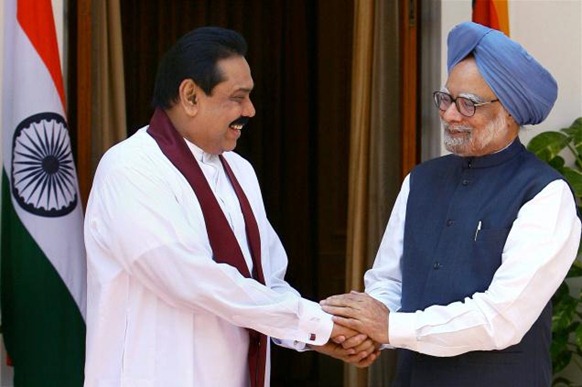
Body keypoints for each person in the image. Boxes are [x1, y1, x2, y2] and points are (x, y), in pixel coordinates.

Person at [83, 26, 378, 387]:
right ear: (190, 95)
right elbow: (192, 280)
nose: (250, 111)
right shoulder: (129, 168)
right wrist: (315, 323)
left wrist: (315, 336)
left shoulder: (240, 170)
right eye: (237, 98)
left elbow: (267, 282)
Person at [321, 21, 581, 386]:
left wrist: (390, 327)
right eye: (446, 98)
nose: (448, 114)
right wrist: (367, 326)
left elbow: (500, 318)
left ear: (510, 111)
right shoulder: (421, 180)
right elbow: (388, 281)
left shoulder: (545, 194)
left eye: (467, 104)